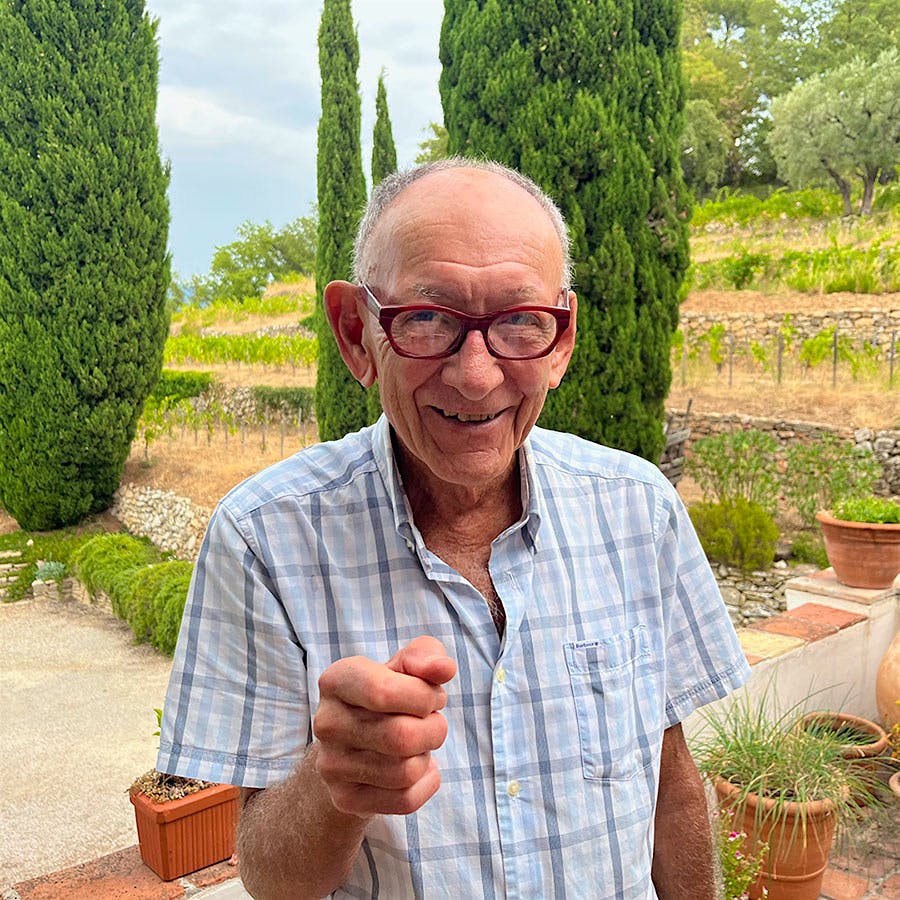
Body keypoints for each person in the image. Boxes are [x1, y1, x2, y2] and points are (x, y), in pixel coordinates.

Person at [158, 158, 750, 900]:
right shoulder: (265, 539)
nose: (477, 376)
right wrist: (335, 781)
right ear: (355, 332)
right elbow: (274, 879)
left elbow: (672, 786)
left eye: (520, 322)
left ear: (561, 340)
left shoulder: (639, 509)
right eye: (428, 319)